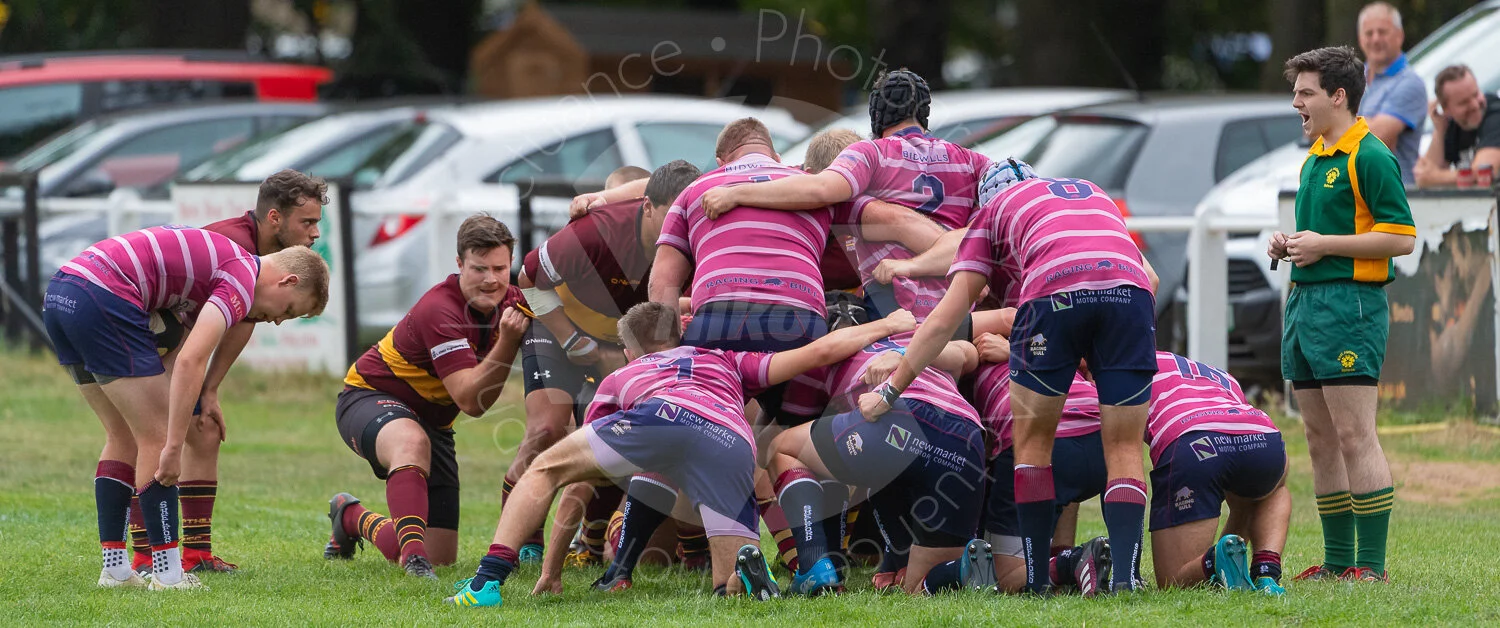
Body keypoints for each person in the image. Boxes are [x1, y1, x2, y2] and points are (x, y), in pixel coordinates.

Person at [445, 301, 918, 607]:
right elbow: (821, 351)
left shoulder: (622, 378)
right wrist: (890, 323)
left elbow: (578, 486)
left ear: (631, 351)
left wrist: (550, 571)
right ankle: (743, 576)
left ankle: (487, 582)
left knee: (547, 467)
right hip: (730, 438)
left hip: (660, 414)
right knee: (726, 588)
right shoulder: (726, 360)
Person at [862, 158, 1158, 595]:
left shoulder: (993, 213)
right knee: (1125, 447)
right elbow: (1148, 278)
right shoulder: (1088, 192)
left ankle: (1036, 581)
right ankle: (1126, 581)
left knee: (1033, 447)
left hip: (1053, 298)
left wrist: (889, 391)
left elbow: (947, 317)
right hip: (1130, 297)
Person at [43, 226, 328, 590]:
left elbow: (176, 361)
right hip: (104, 294)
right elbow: (193, 359)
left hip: (62, 293)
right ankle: (167, 575)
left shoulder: (218, 274)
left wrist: (195, 401)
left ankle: (115, 570)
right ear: (287, 281)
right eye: (287, 311)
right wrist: (173, 445)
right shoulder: (242, 277)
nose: (275, 319)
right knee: (156, 437)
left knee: (123, 435)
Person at [127, 168, 327, 575]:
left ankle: (195, 553)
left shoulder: (265, 265)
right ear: (275, 218)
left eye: (317, 223)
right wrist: (192, 381)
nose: (314, 233)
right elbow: (198, 318)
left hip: (180, 345)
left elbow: (244, 320)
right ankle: (145, 553)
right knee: (152, 433)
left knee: (205, 430)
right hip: (154, 336)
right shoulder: (235, 244)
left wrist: (211, 389)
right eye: (307, 222)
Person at [505, 160, 701, 566]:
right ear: (646, 207)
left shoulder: (697, 236)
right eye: (669, 219)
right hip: (560, 332)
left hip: (619, 344)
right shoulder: (596, 231)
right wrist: (572, 339)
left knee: (619, 432)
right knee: (546, 428)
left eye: (685, 221)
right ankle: (524, 539)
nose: (677, 233)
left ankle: (596, 541)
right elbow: (525, 279)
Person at [1273, 46, 1416, 583]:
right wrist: (1288, 244)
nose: (1296, 103)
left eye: (1305, 93)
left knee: (1356, 434)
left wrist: (1325, 245)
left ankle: (1371, 568)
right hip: (1305, 305)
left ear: (1338, 96)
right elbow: (1323, 240)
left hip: (1349, 308)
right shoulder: (1314, 158)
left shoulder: (1371, 155)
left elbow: (1399, 239)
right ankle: (1337, 563)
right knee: (1318, 437)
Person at [323, 215, 530, 579]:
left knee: (441, 554)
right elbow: (470, 400)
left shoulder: (513, 300)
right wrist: (509, 342)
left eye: (500, 268)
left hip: (434, 422)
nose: (491, 279)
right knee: (410, 440)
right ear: (459, 264)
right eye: (479, 268)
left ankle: (351, 517)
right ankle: (414, 564)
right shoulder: (442, 309)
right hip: (369, 397)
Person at [767, 329, 986, 596]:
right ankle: (960, 569)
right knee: (918, 586)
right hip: (966, 438)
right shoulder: (919, 334)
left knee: (782, 449)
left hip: (899, 413)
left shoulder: (835, 349)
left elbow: (794, 419)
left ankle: (815, 564)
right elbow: (969, 354)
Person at [967, 330, 1113, 597]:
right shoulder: (1050, 352)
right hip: (1103, 438)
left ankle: (1072, 562)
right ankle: (1113, 573)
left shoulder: (970, 369)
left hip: (1043, 443)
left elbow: (979, 454)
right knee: (1061, 491)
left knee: (1003, 576)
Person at [1144, 352, 1290, 595]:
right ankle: (1266, 573)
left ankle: (1214, 562)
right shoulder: (1216, 373)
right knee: (1274, 485)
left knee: (1172, 581)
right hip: (1263, 436)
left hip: (1194, 439)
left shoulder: (1127, 362)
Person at [1355, 2, 1427, 184]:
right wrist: (1366, 124)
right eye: (1369, 33)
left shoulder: (1410, 83)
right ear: (1360, 38)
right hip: (1357, 194)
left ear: (1399, 36)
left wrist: (1335, 123)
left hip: (1393, 196)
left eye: (1383, 32)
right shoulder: (1352, 77)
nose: (1376, 39)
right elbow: (1313, 129)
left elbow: (1377, 137)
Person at [1415, 64, 1500, 188]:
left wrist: (1436, 178)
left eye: (1476, 94)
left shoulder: (1495, 113)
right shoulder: (1452, 125)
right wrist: (1439, 130)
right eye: (1464, 102)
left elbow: (1483, 173)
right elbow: (1424, 174)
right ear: (1446, 109)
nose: (1475, 105)